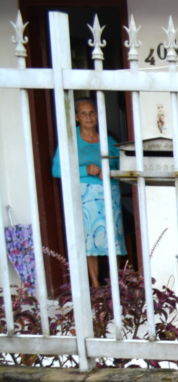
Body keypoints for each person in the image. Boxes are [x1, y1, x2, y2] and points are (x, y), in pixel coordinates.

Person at [51, 98, 126, 287]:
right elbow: (57, 170)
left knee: (112, 238)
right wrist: (86, 170)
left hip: (109, 196)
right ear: (77, 117)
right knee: (89, 241)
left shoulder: (108, 141)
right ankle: (95, 284)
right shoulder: (70, 141)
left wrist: (110, 170)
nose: (88, 117)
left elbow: (120, 165)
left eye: (92, 112)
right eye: (83, 113)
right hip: (86, 198)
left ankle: (116, 284)